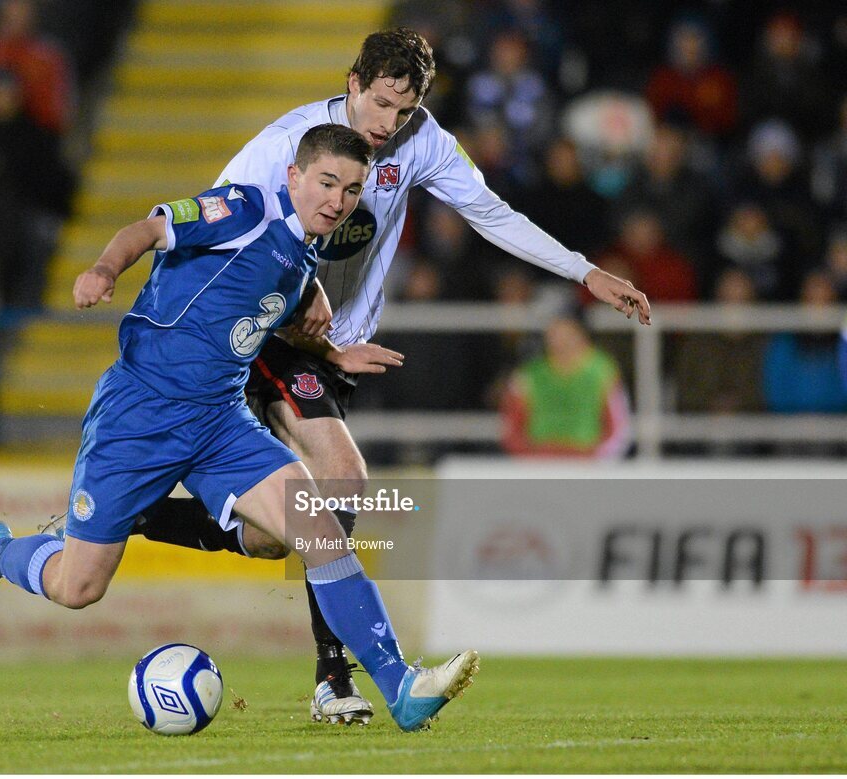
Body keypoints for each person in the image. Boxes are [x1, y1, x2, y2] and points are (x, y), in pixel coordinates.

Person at [92, 28, 651, 725]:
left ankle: (137, 514)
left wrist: (585, 270)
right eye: (382, 103)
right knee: (344, 476)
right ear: (354, 83)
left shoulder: (421, 143)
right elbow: (207, 237)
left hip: (333, 345)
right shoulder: (285, 146)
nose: (389, 124)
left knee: (277, 534)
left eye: (405, 110)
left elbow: (490, 213)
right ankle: (336, 677)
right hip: (267, 335)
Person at [0, 124, 478, 732]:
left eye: (351, 191)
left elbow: (262, 322)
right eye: (327, 183)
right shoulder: (243, 208)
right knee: (77, 586)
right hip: (140, 415)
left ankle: (399, 684)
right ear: (294, 176)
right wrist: (104, 269)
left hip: (221, 421)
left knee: (314, 531)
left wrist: (334, 355)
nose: (338, 200)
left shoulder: (303, 256)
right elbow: (147, 228)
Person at [500, 316, 631, 459]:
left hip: (587, 460)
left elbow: (619, 427)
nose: (560, 342)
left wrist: (597, 459)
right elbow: (510, 427)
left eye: (567, 335)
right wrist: (529, 457)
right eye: (554, 335)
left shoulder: (603, 371)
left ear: (582, 336)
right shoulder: (528, 375)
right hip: (539, 459)